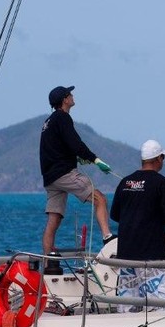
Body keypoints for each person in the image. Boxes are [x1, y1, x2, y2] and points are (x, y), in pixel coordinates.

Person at [40, 85, 114, 255]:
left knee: (54, 218)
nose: (72, 96)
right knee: (100, 199)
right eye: (70, 94)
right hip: (64, 173)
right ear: (65, 100)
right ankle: (107, 237)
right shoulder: (63, 118)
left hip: (50, 178)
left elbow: (58, 146)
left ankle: (47, 258)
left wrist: (76, 156)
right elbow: (75, 143)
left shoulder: (48, 122)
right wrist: (95, 159)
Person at [110, 140, 165, 306]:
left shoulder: (125, 182)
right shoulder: (163, 184)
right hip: (152, 255)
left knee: (127, 306)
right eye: (163, 157)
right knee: (161, 307)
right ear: (158, 159)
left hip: (126, 256)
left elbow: (114, 214)